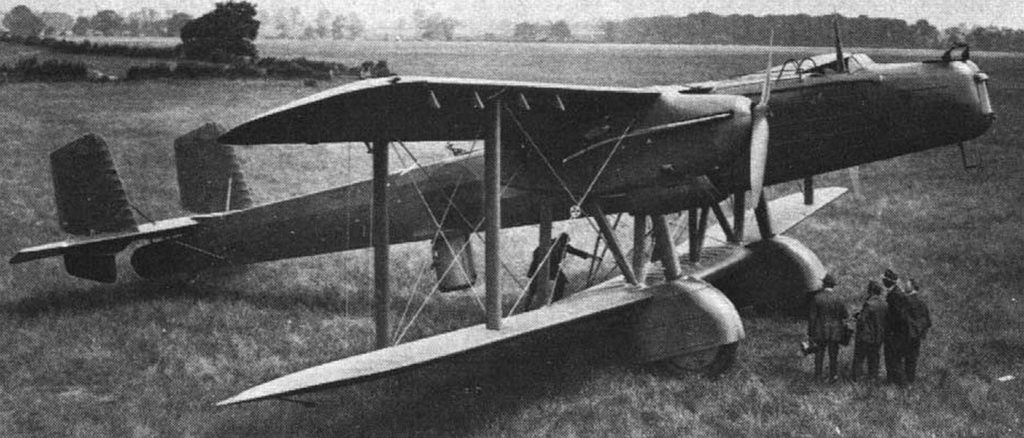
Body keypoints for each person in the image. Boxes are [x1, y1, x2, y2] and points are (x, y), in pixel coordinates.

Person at [523, 233, 596, 310]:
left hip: (553, 267)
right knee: (533, 288)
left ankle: (555, 302)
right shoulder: (548, 244)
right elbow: (536, 253)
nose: (565, 245)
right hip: (540, 267)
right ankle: (526, 307)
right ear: (560, 240)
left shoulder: (563, 246)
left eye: (566, 244)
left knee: (561, 281)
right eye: (564, 243)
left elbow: (577, 252)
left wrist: (594, 257)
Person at [808, 273, 849, 382]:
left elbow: (812, 318)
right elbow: (845, 315)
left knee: (819, 355)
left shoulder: (817, 298)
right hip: (835, 331)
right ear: (833, 285)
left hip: (820, 331)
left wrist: (810, 334)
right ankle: (833, 375)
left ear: (823, 284)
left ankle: (818, 377)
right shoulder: (839, 299)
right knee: (833, 355)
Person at [852, 280, 887, 382]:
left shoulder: (869, 304)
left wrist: (857, 316)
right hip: (879, 336)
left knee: (859, 358)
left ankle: (857, 378)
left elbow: (862, 320)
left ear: (870, 291)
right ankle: (873, 377)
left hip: (866, 336)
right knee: (874, 357)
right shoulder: (884, 304)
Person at [882, 268, 910, 385]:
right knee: (892, 358)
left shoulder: (895, 295)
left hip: (895, 333)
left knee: (894, 358)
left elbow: (898, 316)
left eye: (884, 280)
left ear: (888, 282)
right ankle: (892, 381)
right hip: (896, 332)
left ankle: (902, 384)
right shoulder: (895, 293)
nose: (883, 282)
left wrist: (890, 328)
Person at [903, 278, 932, 383]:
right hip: (916, 337)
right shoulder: (922, 304)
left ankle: (901, 383)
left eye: (906, 285)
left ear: (912, 287)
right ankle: (910, 381)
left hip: (904, 335)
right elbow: (928, 322)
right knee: (912, 360)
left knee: (901, 359)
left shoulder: (904, 302)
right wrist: (920, 333)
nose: (904, 286)